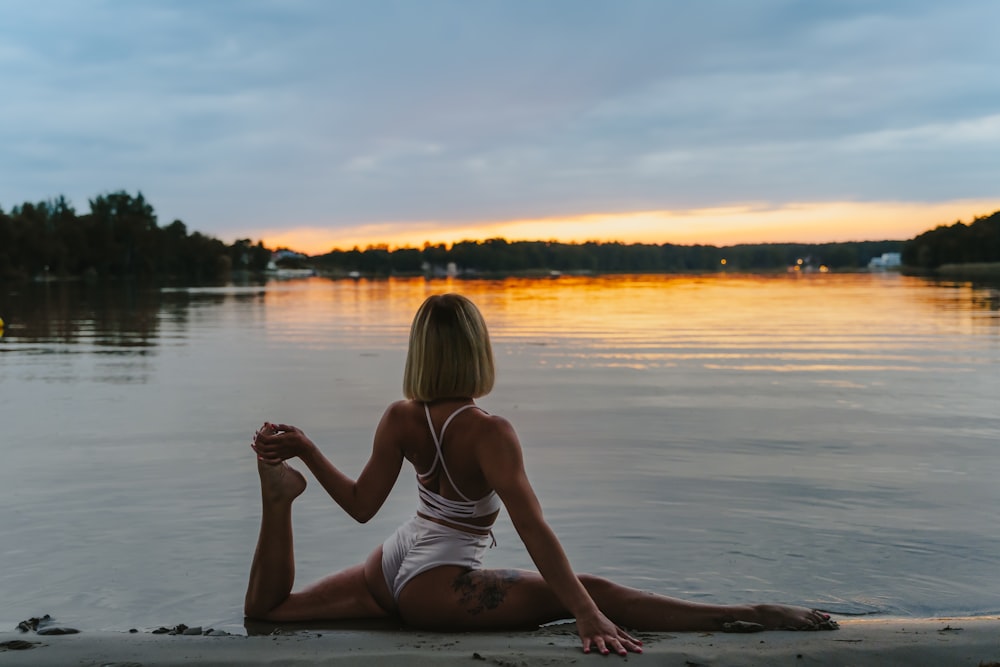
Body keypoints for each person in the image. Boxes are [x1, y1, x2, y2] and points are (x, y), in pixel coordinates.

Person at [245, 293, 837, 656]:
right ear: (478, 350)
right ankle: (752, 613)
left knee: (270, 612)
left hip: (391, 561)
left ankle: (279, 502)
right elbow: (534, 528)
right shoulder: (490, 430)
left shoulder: (401, 416)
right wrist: (584, 611)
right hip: (437, 588)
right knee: (598, 590)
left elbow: (359, 505)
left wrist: (306, 451)